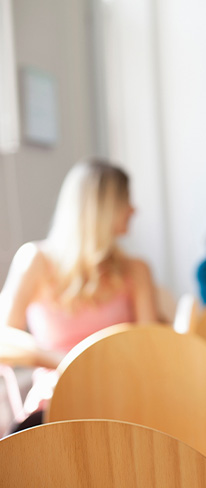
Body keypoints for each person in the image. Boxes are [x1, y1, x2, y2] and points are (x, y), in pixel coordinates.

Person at [0, 160, 158, 432]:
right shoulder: (35, 259)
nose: (134, 210)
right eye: (125, 200)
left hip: (124, 399)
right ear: (103, 208)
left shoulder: (136, 270)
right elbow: (4, 338)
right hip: (56, 401)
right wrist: (69, 362)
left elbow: (151, 349)